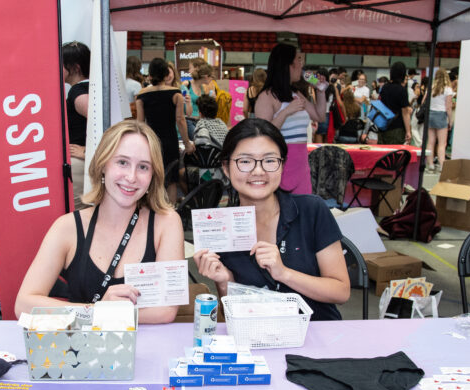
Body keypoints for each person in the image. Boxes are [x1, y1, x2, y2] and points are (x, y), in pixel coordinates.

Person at [14, 120, 184, 324]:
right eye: (122, 162)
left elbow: (166, 310)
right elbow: (23, 305)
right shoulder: (67, 227)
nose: (131, 177)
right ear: (103, 164)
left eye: (143, 167)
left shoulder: (166, 223)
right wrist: (98, 311)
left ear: (153, 175)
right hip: (82, 350)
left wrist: (104, 314)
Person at [193, 118, 350, 321]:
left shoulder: (312, 209)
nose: (258, 171)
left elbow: (341, 291)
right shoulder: (220, 229)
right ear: (226, 167)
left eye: (269, 161)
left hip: (317, 334)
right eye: (245, 161)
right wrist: (225, 282)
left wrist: (284, 273)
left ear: (282, 165)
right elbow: (230, 318)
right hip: (257, 339)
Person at [254, 43, 327, 194]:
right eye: (298, 60)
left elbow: (319, 116)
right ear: (288, 65)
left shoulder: (296, 93)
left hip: (301, 166)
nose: (302, 65)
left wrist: (320, 90)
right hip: (278, 165)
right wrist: (286, 112)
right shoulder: (266, 96)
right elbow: (262, 134)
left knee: (302, 210)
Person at [137, 58, 194, 202]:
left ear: (150, 75)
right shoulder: (176, 93)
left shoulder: (142, 95)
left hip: (151, 142)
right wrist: (187, 143)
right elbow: (180, 121)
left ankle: (153, 212)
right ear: (166, 74)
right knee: (172, 179)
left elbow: (140, 123)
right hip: (170, 140)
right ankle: (171, 212)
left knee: (152, 177)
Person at [63, 41, 90, 209]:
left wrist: (87, 151)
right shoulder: (87, 88)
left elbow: (106, 125)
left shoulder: (78, 92)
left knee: (79, 216)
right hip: (83, 164)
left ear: (75, 67)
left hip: (80, 166)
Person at [425, 68, 453, 171]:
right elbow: (448, 107)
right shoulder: (448, 89)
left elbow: (425, 101)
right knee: (442, 143)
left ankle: (430, 164)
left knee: (430, 141)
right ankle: (442, 165)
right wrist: (450, 120)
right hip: (441, 115)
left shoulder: (431, 87)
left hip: (430, 114)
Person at [377, 62, 411, 145]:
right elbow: (405, 113)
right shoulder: (401, 90)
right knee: (395, 155)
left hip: (382, 125)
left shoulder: (385, 87)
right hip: (396, 127)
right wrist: (408, 131)